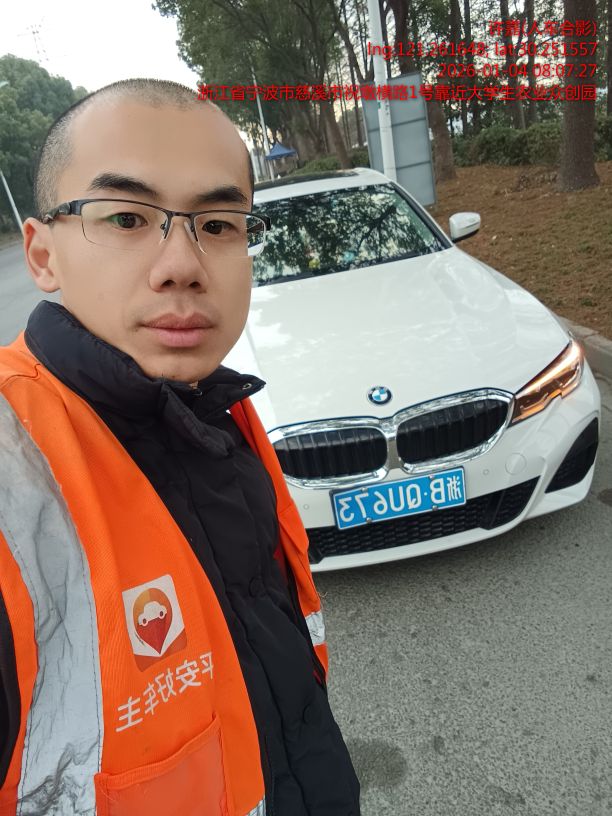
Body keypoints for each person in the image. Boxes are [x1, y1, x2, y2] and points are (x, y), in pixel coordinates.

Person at [0, 79, 360, 816]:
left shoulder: (214, 406)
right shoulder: (15, 470)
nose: (183, 265)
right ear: (42, 254)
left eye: (219, 224)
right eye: (127, 217)